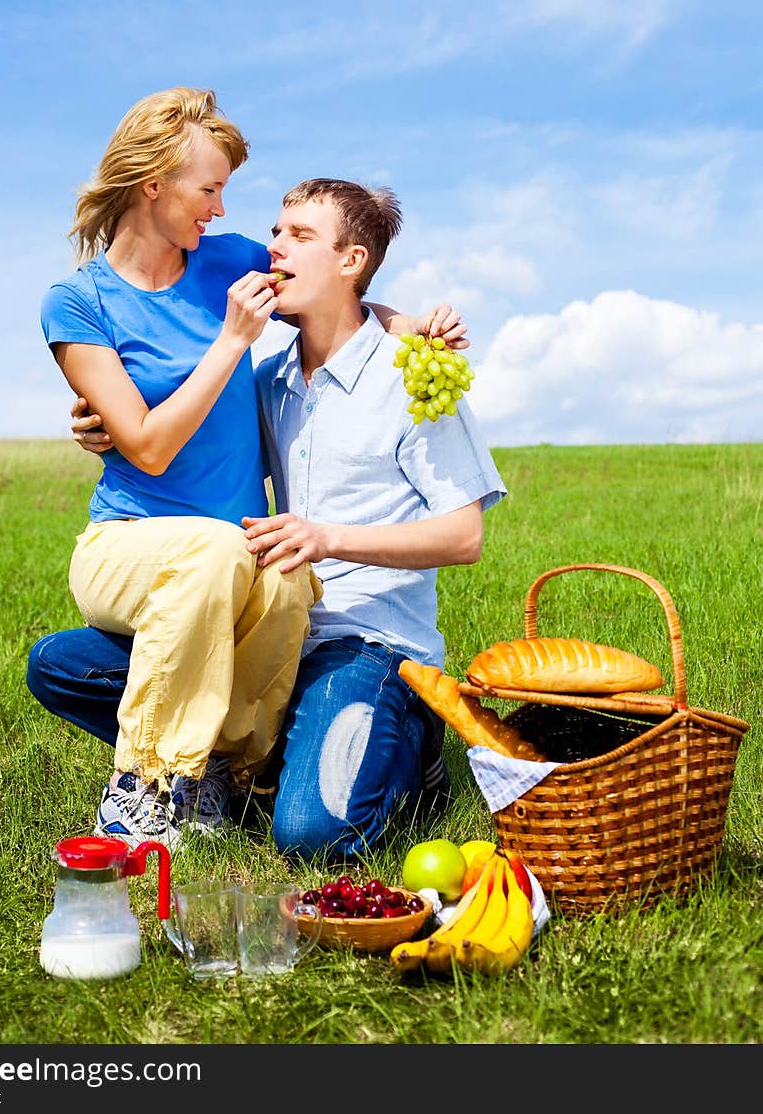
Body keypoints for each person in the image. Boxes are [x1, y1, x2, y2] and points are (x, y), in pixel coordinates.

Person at [31, 86, 465, 850]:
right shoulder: (77, 302)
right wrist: (223, 346)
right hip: (142, 544)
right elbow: (151, 444)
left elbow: (335, 285)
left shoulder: (226, 262)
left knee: (258, 567)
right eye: (210, 188)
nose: (224, 212)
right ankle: (152, 786)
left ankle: (217, 778)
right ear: (152, 183)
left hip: (241, 580)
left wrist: (411, 328)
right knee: (65, 660)